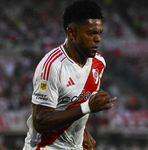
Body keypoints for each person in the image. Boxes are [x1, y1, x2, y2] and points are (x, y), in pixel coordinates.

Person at [22, 0, 117, 149]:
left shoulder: (99, 63)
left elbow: (74, 104)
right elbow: (40, 121)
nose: (98, 39)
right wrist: (87, 107)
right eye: (91, 33)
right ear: (71, 33)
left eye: (99, 33)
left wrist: (84, 132)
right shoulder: (52, 67)